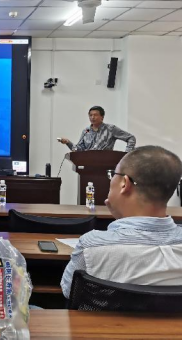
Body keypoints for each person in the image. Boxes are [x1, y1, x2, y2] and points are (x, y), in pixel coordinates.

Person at [61, 146, 182, 298]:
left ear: (125, 183)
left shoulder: (92, 245)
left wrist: (121, 219)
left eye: (113, 174)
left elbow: (68, 291)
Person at [59, 106, 136, 152]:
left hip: (106, 164)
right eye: (90, 115)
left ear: (102, 117)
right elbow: (78, 150)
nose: (92, 117)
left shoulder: (110, 129)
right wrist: (68, 142)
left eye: (95, 115)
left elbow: (131, 138)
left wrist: (127, 154)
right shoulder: (86, 131)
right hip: (88, 164)